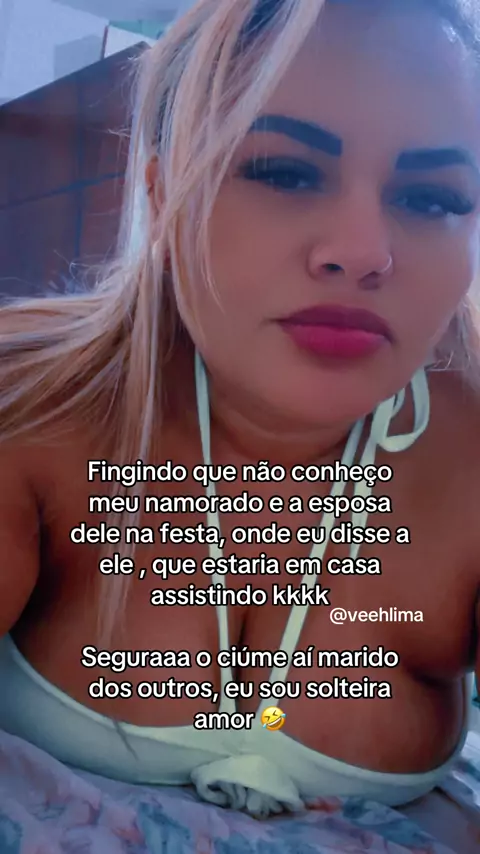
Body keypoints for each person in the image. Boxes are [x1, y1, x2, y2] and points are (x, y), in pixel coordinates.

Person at [0, 0, 479, 821]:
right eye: (284, 172)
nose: (363, 252)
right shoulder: (34, 400)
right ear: (163, 193)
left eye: (433, 197)